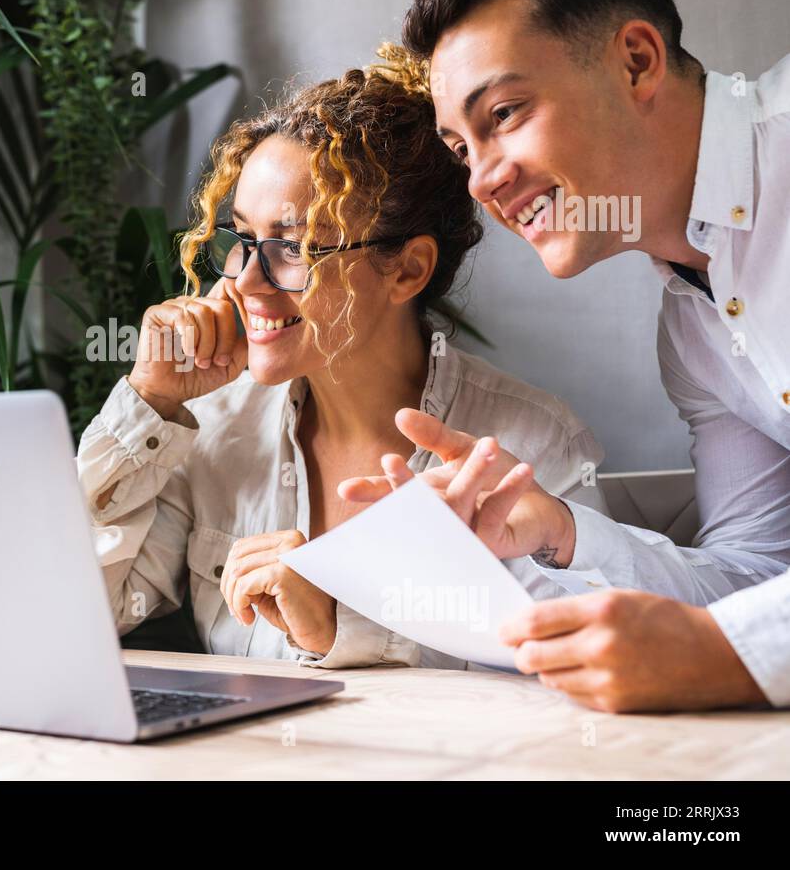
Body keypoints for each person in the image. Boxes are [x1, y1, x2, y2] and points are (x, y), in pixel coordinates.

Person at [341, 0, 790, 710]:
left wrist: (729, 653)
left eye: (505, 112)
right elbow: (758, 576)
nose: (480, 180)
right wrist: (559, 532)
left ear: (637, 61)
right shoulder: (694, 333)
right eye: (460, 148)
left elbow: (741, 634)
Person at [76, 45, 608, 670]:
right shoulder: (215, 429)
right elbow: (76, 614)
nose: (246, 281)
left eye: (294, 248)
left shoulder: (531, 446)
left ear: (407, 270)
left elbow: (578, 673)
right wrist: (151, 402)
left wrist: (340, 628)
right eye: (243, 239)